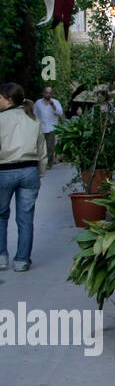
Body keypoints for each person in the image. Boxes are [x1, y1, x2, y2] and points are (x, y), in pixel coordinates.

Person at [0, 83, 45, 272]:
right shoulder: (33, 121)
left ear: (9, 100)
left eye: (0, 97)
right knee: (25, 218)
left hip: (5, 171)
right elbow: (42, 151)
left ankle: (2, 258)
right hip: (29, 171)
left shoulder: (1, 120)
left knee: (1, 215)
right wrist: (39, 173)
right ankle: (22, 261)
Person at [33, 86, 63, 169]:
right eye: (46, 93)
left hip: (51, 128)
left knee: (50, 147)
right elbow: (35, 114)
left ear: (51, 94)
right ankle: (41, 163)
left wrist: (53, 106)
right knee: (40, 147)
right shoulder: (38, 103)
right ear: (43, 93)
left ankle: (49, 164)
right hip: (41, 128)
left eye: (50, 93)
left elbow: (60, 113)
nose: (48, 94)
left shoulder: (56, 102)